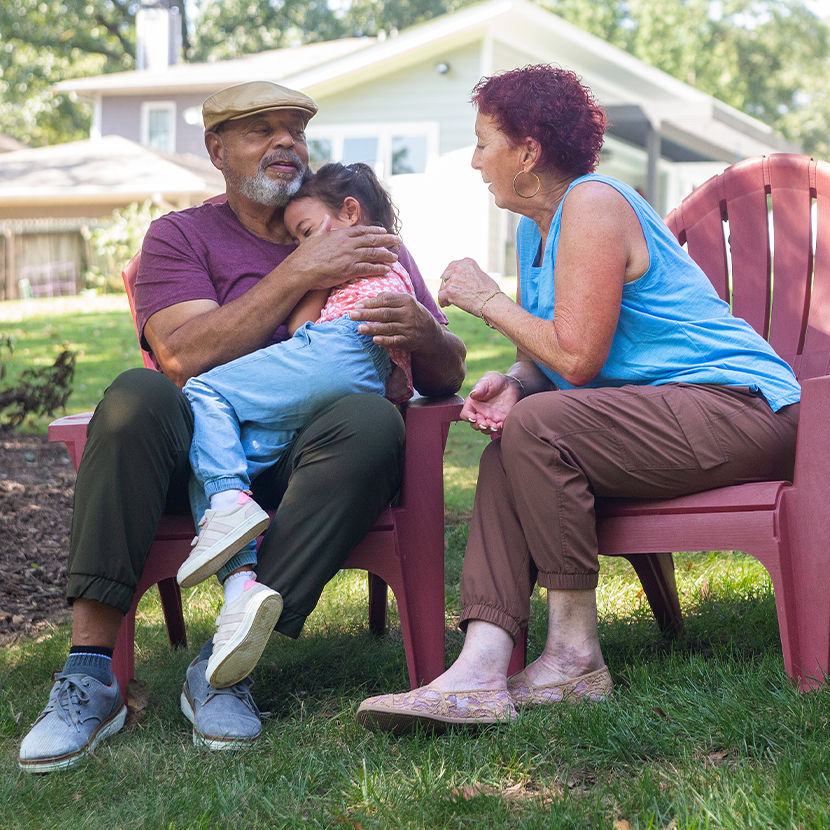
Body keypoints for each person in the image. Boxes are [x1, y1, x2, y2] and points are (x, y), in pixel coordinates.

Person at [19, 80, 465, 771]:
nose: (285, 141)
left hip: (310, 466)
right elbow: (181, 355)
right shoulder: (181, 236)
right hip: (191, 457)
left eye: (295, 130)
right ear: (216, 149)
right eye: (262, 130)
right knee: (136, 394)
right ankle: (88, 675)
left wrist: (427, 337)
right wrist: (298, 273)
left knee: (371, 421)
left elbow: (444, 374)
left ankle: (223, 669)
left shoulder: (361, 235)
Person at [356, 64, 800, 735]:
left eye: (484, 143)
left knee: (537, 428)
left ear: (527, 152)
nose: (476, 162)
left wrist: (486, 300)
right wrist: (517, 381)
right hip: (658, 415)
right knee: (514, 441)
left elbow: (579, 356)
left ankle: (573, 657)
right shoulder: (536, 231)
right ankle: (481, 665)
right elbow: (554, 360)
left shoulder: (593, 204)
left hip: (741, 409)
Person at [178, 161, 419, 691]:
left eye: (307, 233)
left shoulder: (360, 254)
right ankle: (241, 590)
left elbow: (299, 328)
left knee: (203, 391)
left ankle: (229, 510)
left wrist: (310, 272)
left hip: (338, 347)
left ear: (350, 214)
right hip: (363, 376)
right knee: (222, 452)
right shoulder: (390, 257)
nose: (300, 248)